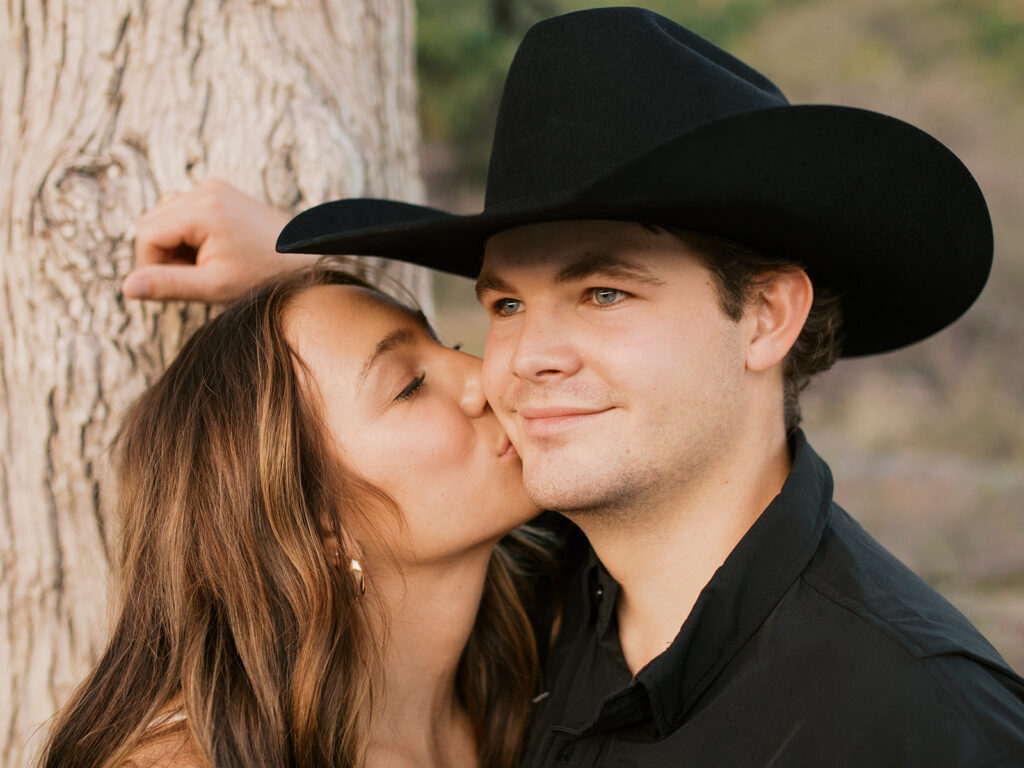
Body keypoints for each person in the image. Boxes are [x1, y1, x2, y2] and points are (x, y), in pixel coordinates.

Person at [123, 6, 1024, 766]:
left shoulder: (916, 717)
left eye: (604, 292)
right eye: (506, 304)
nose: (513, 365)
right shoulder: (539, 600)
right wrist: (307, 272)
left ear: (764, 317)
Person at [41, 263, 553, 768]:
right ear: (318, 521)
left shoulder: (550, 663)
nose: (484, 376)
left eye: (452, 345)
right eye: (410, 385)